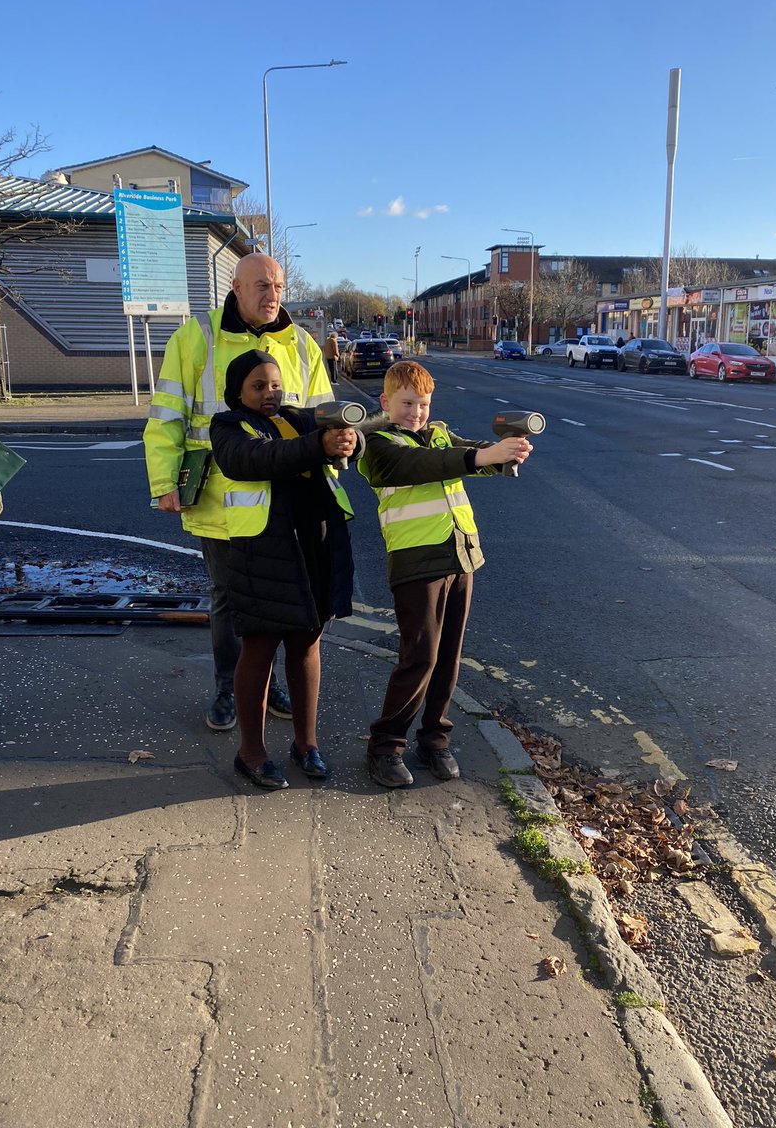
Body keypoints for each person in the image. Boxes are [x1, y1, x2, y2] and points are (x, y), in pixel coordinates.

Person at [144, 254, 333, 732]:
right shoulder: (197, 337)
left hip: (287, 499)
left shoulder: (301, 344)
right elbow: (167, 414)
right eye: (262, 286)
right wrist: (166, 483)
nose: (272, 295)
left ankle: (269, 684)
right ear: (235, 286)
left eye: (278, 286)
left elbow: (324, 419)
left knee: (284, 593)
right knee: (229, 598)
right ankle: (229, 687)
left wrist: (331, 472)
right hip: (218, 495)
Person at [357, 360, 533, 788]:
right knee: (419, 658)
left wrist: (506, 453)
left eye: (423, 404)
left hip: (460, 556)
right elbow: (423, 466)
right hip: (417, 562)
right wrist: (482, 455)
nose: (416, 412)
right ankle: (385, 746)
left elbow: (466, 455)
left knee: (448, 658)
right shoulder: (376, 443)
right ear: (386, 402)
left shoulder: (437, 433)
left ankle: (434, 738)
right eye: (407, 403)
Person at [209, 350, 360, 789]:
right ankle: (250, 753)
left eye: (274, 384)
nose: (269, 393)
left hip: (313, 546)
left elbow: (347, 439)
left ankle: (305, 744)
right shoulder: (228, 427)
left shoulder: (302, 417)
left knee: (307, 645)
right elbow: (256, 459)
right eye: (258, 386)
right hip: (264, 554)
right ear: (237, 391)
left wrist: (352, 440)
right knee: (258, 651)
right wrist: (319, 444)